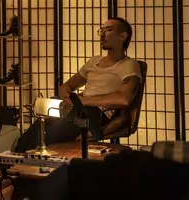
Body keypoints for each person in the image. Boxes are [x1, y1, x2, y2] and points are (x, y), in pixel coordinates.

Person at [13, 17, 142, 153]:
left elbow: (124, 99)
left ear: (123, 36)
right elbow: (66, 86)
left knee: (44, 137)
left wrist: (83, 100)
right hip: (75, 108)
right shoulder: (94, 61)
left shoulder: (129, 65)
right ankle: (13, 163)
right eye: (101, 30)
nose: (103, 34)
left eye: (109, 30)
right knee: (37, 127)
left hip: (94, 113)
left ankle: (29, 165)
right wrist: (68, 98)